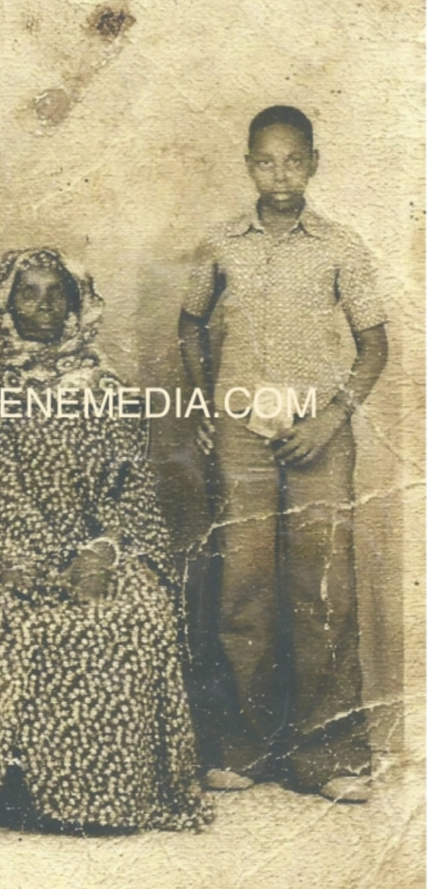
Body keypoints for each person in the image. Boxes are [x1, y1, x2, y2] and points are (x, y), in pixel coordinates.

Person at [0, 248, 213, 846]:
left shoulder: (104, 382)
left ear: (75, 301)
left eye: (54, 293)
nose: (41, 306)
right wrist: (21, 554)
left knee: (136, 611)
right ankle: (13, 792)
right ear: (7, 302)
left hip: (97, 538)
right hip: (1, 539)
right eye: (27, 293)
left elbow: (125, 477)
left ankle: (105, 799)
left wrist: (103, 550)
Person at [178, 106, 387, 802]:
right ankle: (243, 744)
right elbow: (190, 325)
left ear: (314, 164)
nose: (280, 175)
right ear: (247, 165)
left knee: (320, 586)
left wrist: (330, 419)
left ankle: (327, 752)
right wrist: (211, 403)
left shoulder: (340, 246)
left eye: (293, 161)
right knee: (243, 583)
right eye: (266, 161)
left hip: (318, 434)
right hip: (244, 432)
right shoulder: (220, 245)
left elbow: (375, 345)